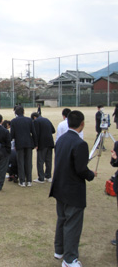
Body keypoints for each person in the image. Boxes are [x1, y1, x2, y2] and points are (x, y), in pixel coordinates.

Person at [49, 110, 96, 267]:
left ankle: (59, 250)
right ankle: (69, 259)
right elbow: (81, 169)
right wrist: (91, 174)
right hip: (72, 190)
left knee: (62, 219)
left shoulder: (61, 139)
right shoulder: (80, 143)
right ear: (82, 124)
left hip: (60, 187)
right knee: (72, 224)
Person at [10, 106, 37, 187]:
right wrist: (36, 144)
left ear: (15, 113)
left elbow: (12, 134)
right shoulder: (29, 120)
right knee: (29, 162)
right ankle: (29, 180)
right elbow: (34, 133)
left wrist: (10, 143)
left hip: (19, 144)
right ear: (23, 112)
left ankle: (22, 181)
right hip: (29, 143)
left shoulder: (14, 121)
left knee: (20, 162)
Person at [31, 112, 55, 183]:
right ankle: (48, 176)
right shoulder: (47, 120)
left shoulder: (36, 121)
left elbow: (36, 134)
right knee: (48, 160)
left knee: (40, 161)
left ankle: (41, 178)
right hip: (50, 142)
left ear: (34, 117)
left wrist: (36, 144)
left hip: (42, 143)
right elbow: (53, 130)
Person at [0, 114, 11, 191]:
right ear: (2, 121)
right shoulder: (6, 131)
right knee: (2, 169)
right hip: (3, 152)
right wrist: (8, 152)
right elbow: (8, 144)